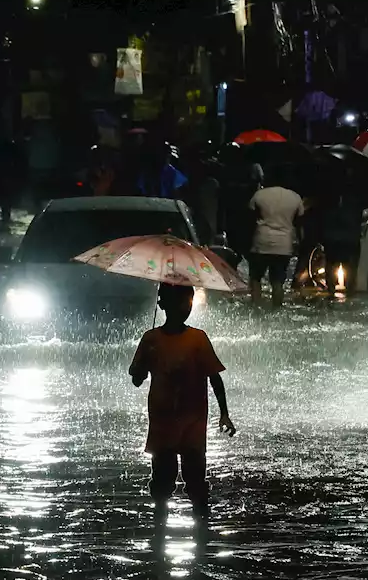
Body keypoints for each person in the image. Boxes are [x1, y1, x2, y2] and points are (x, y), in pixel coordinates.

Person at [129, 283, 236, 527]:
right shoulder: (151, 339)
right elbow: (137, 378)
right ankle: (165, 529)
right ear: (162, 304)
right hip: (163, 423)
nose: (185, 308)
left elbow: (214, 377)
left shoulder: (197, 338)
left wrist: (225, 414)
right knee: (162, 482)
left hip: (192, 423)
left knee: (196, 480)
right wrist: (138, 372)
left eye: (188, 302)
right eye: (180, 302)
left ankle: (198, 528)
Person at [246, 169, 305, 308]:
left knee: (255, 277)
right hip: (283, 244)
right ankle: (276, 309)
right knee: (277, 280)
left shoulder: (259, 194)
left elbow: (250, 218)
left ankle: (256, 307)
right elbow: (299, 222)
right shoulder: (295, 197)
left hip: (262, 241)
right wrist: (300, 242)